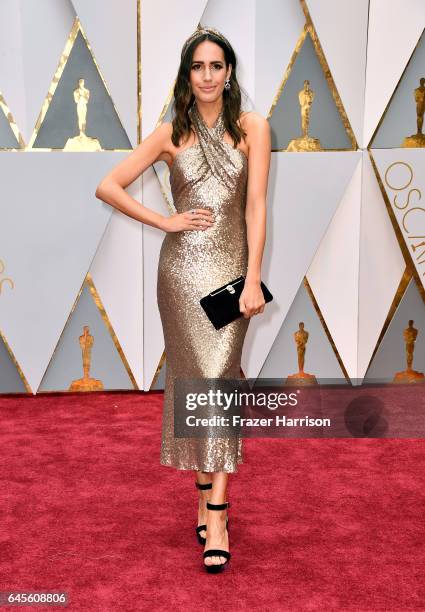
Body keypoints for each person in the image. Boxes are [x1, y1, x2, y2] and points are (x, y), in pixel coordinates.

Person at [95, 25, 271, 573]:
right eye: (198, 67)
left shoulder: (253, 128)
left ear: (230, 72)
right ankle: (204, 494)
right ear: (186, 74)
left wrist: (252, 277)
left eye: (217, 66)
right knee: (195, 383)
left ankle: (216, 512)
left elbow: (257, 207)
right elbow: (110, 185)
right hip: (180, 276)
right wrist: (164, 220)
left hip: (230, 276)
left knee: (222, 381)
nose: (208, 76)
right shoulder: (171, 132)